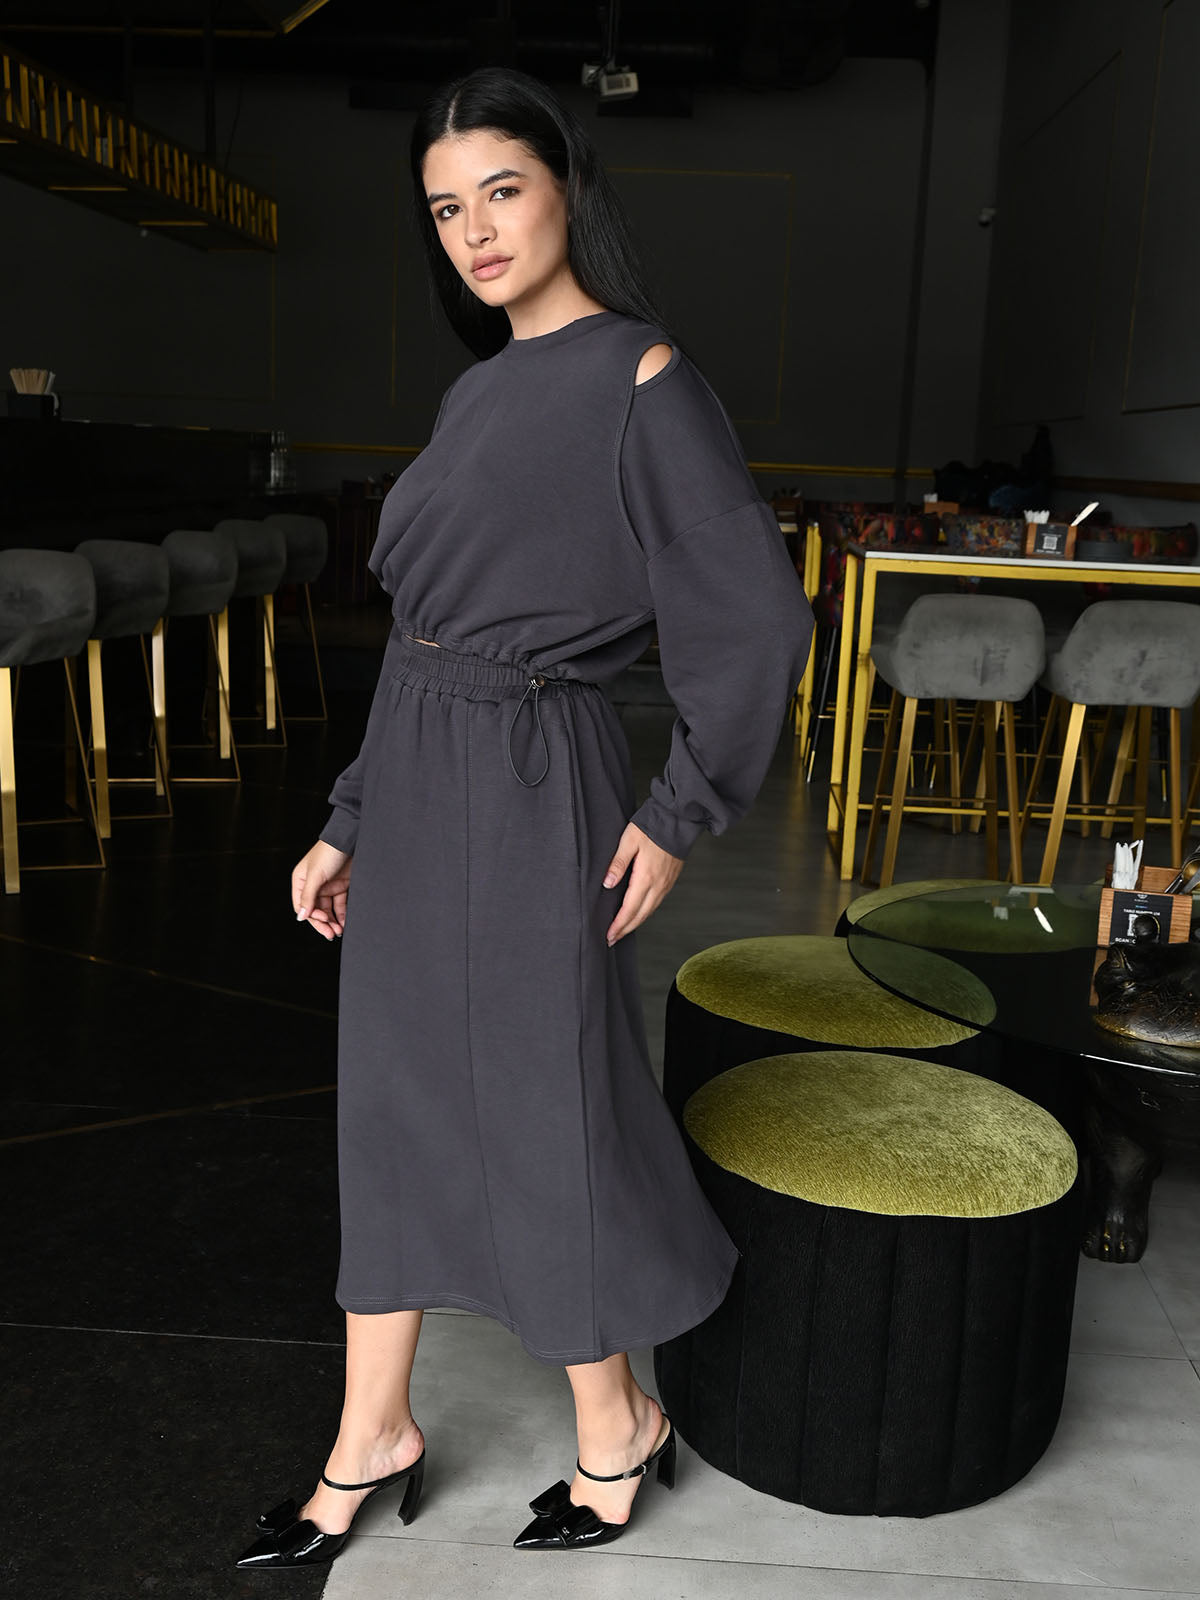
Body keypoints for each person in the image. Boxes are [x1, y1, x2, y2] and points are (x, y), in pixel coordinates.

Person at [236, 64, 813, 1569]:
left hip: (538, 777)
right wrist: (352, 817)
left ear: (569, 189)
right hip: (421, 769)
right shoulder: (478, 389)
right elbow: (422, 635)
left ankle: (616, 1419)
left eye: (502, 191)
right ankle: (372, 1430)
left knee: (542, 1106)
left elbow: (753, 619)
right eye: (446, 210)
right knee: (393, 1101)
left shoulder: (645, 378)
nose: (476, 232)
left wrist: (680, 811)